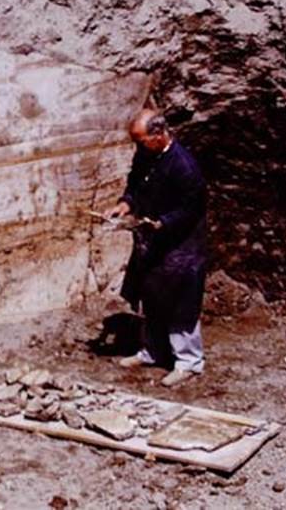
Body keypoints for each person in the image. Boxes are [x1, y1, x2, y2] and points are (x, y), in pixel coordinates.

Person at [105, 109, 207, 387]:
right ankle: (153, 351)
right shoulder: (145, 154)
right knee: (151, 296)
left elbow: (193, 207)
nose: (138, 147)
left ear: (159, 134)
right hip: (151, 240)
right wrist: (126, 203)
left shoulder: (184, 167)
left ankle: (188, 362)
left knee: (181, 303)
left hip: (181, 244)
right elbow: (136, 182)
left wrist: (163, 223)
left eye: (142, 141)